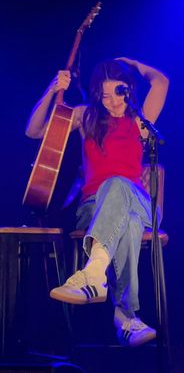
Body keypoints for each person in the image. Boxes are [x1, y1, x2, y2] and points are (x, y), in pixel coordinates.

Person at [25, 57, 169, 347]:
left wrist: (130, 63)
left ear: (129, 89)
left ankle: (93, 274)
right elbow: (34, 131)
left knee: (117, 185)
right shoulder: (85, 116)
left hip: (140, 203)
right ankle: (127, 317)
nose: (112, 102)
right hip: (93, 209)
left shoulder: (141, 121)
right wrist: (52, 90)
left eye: (118, 93)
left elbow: (161, 81)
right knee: (124, 220)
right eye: (104, 95)